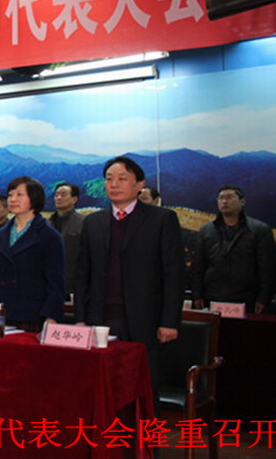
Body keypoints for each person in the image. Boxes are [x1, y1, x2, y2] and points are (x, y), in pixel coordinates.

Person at [75, 156, 183, 406]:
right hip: (100, 319)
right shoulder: (93, 222)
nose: (114, 184)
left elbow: (173, 274)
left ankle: (146, 433)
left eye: (122, 178)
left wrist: (169, 321)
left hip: (145, 320)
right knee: (102, 389)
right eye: (109, 179)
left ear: (139, 184)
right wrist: (80, 318)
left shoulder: (161, 219)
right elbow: (82, 275)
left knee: (144, 388)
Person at [0, 177, 65, 332]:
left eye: (19, 195)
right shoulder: (1, 234)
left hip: (33, 315)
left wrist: (51, 316)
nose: (13, 199)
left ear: (34, 199)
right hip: (1, 313)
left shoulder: (49, 235)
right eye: (10, 195)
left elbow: (55, 282)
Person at [193, 185, 275, 313]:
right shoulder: (206, 231)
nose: (224, 201)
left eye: (229, 197)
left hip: (248, 298)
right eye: (221, 198)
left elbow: (267, 268)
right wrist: (197, 295)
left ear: (242, 202)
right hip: (213, 296)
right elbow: (198, 266)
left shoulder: (260, 230)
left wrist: (264, 298)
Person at [48, 183, 84, 297]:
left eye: (63, 195)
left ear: (74, 199)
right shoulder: (46, 224)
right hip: (48, 285)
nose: (58, 198)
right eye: (56, 195)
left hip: (73, 286)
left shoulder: (84, 223)